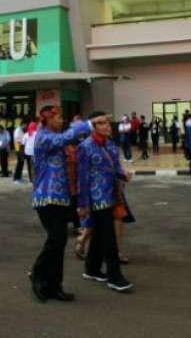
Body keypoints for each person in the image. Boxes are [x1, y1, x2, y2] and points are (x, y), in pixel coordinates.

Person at [29, 105, 91, 302]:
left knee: (60, 241)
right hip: (46, 198)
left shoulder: (57, 139)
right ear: (47, 119)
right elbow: (64, 138)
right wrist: (87, 124)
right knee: (56, 239)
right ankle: (37, 274)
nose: (62, 121)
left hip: (62, 198)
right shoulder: (43, 137)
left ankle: (55, 285)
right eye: (58, 118)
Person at [76, 111, 133, 292]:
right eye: (102, 123)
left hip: (112, 195)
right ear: (93, 126)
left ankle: (92, 268)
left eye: (108, 123)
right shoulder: (85, 147)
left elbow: (116, 168)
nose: (107, 126)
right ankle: (114, 276)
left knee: (100, 234)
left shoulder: (110, 145)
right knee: (109, 237)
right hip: (96, 198)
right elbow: (82, 178)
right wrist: (83, 204)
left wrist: (124, 174)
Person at [13, 119, 30, 183]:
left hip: (20, 147)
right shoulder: (18, 130)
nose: (26, 126)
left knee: (21, 163)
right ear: (23, 124)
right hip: (19, 147)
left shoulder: (21, 130)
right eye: (25, 125)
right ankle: (16, 178)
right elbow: (18, 140)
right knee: (20, 163)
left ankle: (18, 177)